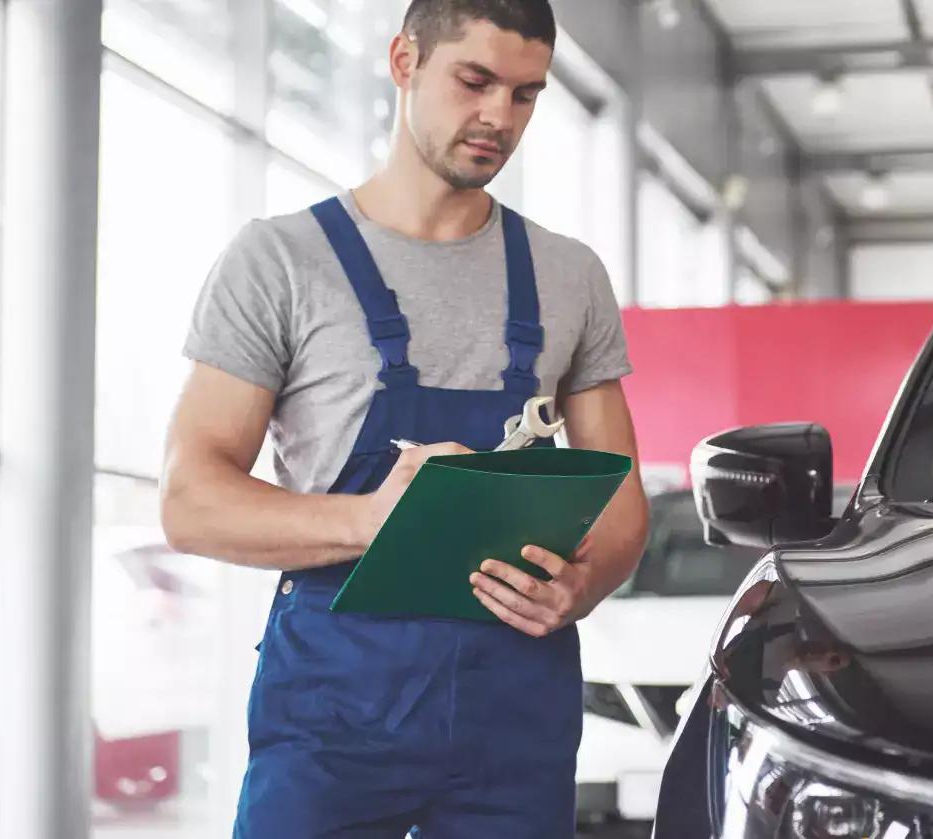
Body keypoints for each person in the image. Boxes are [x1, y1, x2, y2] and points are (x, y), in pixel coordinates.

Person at [159, 0, 649, 834]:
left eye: (526, 94)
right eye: (475, 80)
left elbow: (623, 501)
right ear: (403, 61)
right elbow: (189, 500)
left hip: (515, 719)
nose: (499, 115)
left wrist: (582, 583)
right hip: (334, 721)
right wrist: (372, 520)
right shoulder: (280, 261)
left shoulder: (570, 277)